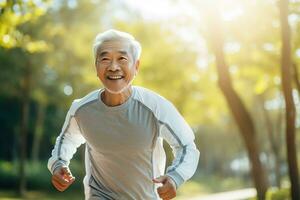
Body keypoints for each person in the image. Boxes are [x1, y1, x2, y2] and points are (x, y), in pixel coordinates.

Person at [47, 29, 200, 200]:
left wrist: (175, 177)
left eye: (122, 59)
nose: (113, 67)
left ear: (136, 66)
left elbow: (187, 146)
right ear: (96, 67)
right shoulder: (82, 109)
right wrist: (59, 164)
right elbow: (66, 139)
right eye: (105, 59)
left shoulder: (155, 107)